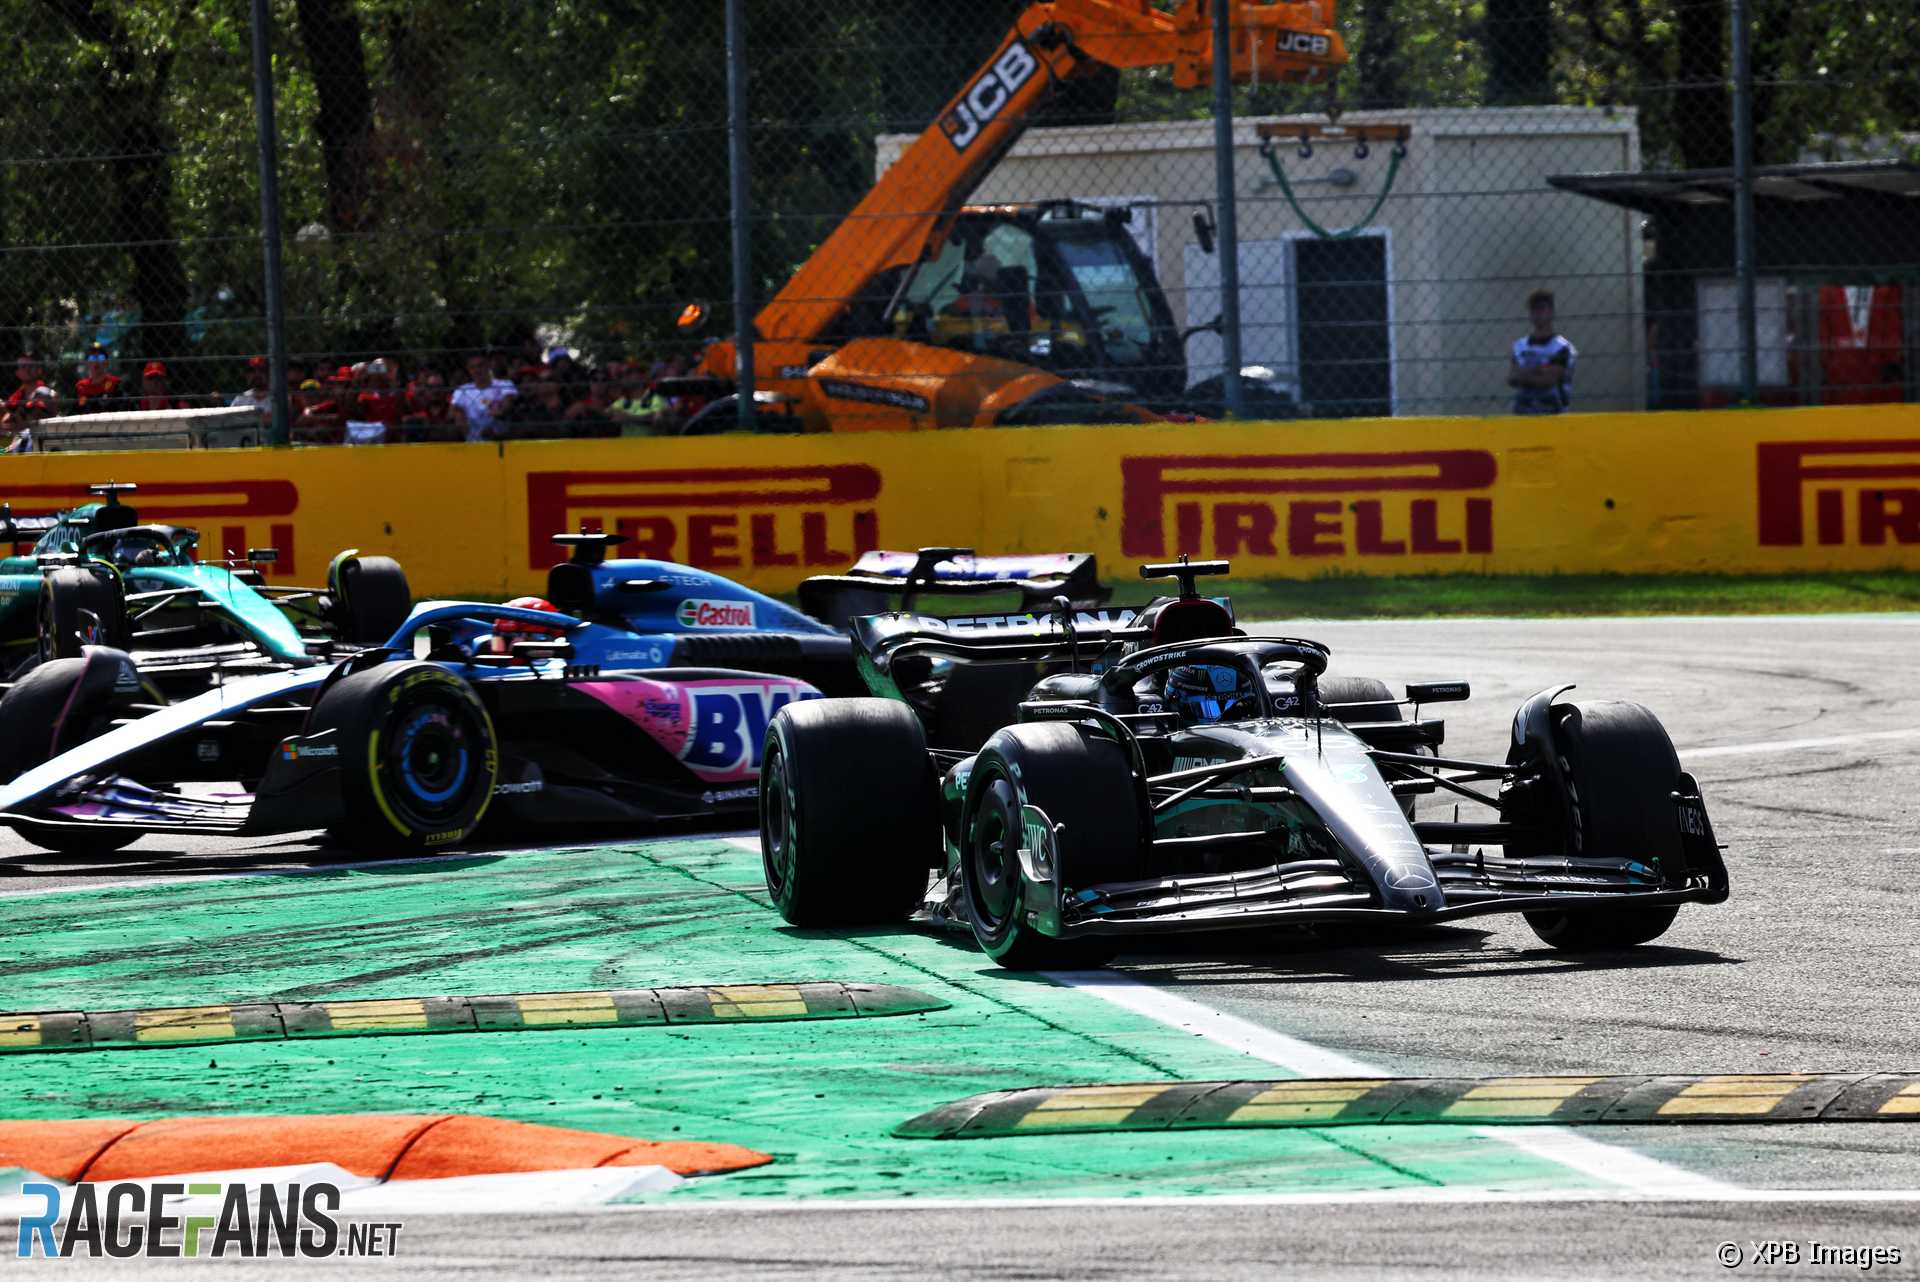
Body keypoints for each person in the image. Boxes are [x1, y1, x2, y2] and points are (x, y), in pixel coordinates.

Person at [1508, 289, 1576, 415]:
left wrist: (1524, 374)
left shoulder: (1562, 348)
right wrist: (1539, 370)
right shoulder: (1519, 346)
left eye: (1541, 308)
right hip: (1523, 416)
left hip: (1554, 416)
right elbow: (1512, 378)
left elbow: (1548, 381)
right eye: (1533, 309)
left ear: (1551, 312)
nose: (1537, 314)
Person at [451, 350, 516, 442]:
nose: (477, 370)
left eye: (480, 366)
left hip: (501, 440)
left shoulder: (504, 385)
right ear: (468, 370)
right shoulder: (462, 390)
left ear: (488, 366)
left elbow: (508, 403)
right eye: (472, 367)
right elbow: (454, 411)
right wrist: (459, 416)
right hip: (472, 442)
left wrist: (501, 412)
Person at [399, 368, 461, 442]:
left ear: (445, 389)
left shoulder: (454, 413)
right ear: (426, 390)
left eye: (439, 387)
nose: (435, 391)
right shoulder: (419, 415)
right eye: (431, 387)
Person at [72, 343, 124, 414]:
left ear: (107, 363)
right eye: (92, 358)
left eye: (100, 358)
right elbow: (75, 411)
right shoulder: (81, 387)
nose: (96, 362)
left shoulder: (115, 383)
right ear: (87, 363)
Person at [230, 355, 271, 421]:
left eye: (261, 370)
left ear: (269, 373)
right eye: (251, 371)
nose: (257, 374)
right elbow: (230, 420)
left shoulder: (278, 398)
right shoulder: (241, 399)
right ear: (246, 375)